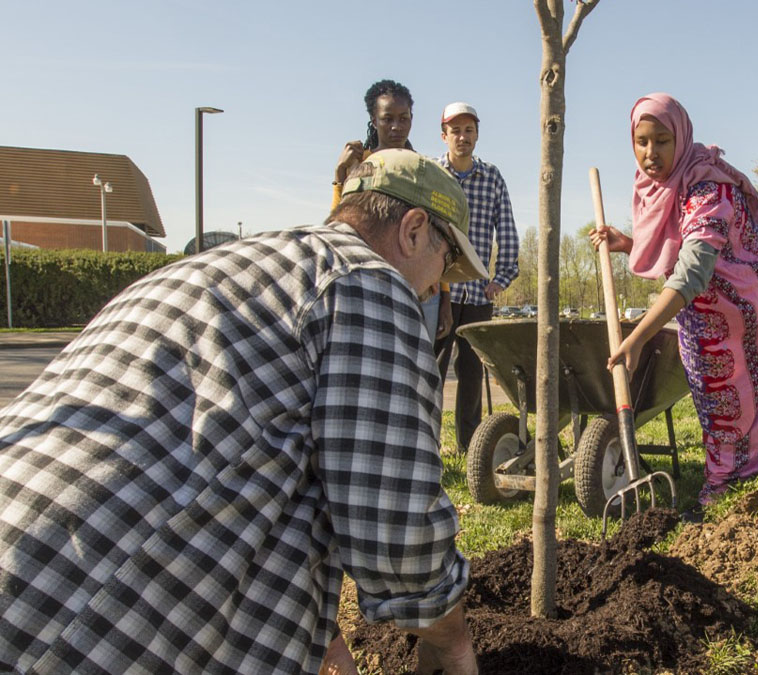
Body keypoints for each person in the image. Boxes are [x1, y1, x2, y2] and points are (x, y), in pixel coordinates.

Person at [0, 149, 488, 675]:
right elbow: (396, 529)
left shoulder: (218, 270)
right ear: (414, 230)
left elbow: (213, 455)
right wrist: (449, 643)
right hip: (71, 625)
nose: (439, 286)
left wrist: (320, 634)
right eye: (447, 261)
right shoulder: (368, 284)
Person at [589, 93, 758, 520]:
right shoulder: (660, 186)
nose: (651, 153)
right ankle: (734, 470)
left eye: (662, 141)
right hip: (708, 293)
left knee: (735, 380)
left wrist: (638, 338)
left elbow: (692, 269)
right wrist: (625, 243)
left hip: (755, 280)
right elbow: (675, 246)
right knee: (710, 373)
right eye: (641, 141)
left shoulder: (707, 187)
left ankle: (725, 483)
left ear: (681, 138)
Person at [331, 78, 449, 343]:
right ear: (374, 120)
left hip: (420, 287)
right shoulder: (360, 164)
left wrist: (445, 297)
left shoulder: (421, 169)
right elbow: (337, 225)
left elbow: (438, 235)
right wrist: (340, 176)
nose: (397, 126)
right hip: (368, 282)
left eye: (404, 118)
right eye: (387, 119)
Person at [434, 101, 519, 453]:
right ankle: (427, 441)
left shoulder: (492, 177)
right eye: (456, 131)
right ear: (444, 136)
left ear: (477, 135)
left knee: (471, 372)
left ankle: (470, 445)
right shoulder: (432, 175)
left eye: (469, 130)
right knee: (433, 369)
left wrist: (502, 276)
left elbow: (508, 232)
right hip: (440, 292)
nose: (463, 137)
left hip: (478, 296)